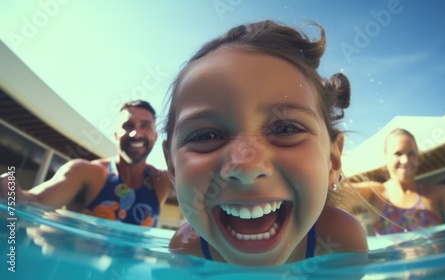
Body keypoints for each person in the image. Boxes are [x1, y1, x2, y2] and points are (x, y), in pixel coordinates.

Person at [161, 20, 368, 266]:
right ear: (172, 169)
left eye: (286, 129)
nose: (246, 167)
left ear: (333, 161)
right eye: (206, 136)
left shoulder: (340, 244)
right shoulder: (187, 254)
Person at [0, 100, 172, 227]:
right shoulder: (85, 173)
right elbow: (35, 203)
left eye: (145, 126)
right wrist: (12, 192)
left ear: (155, 136)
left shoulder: (161, 181)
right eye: (128, 125)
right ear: (116, 134)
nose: (136, 133)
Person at [350, 128, 445, 235]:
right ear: (386, 157)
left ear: (418, 157)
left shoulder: (434, 194)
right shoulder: (375, 194)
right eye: (398, 153)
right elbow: (338, 192)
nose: (405, 160)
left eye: (411, 154)